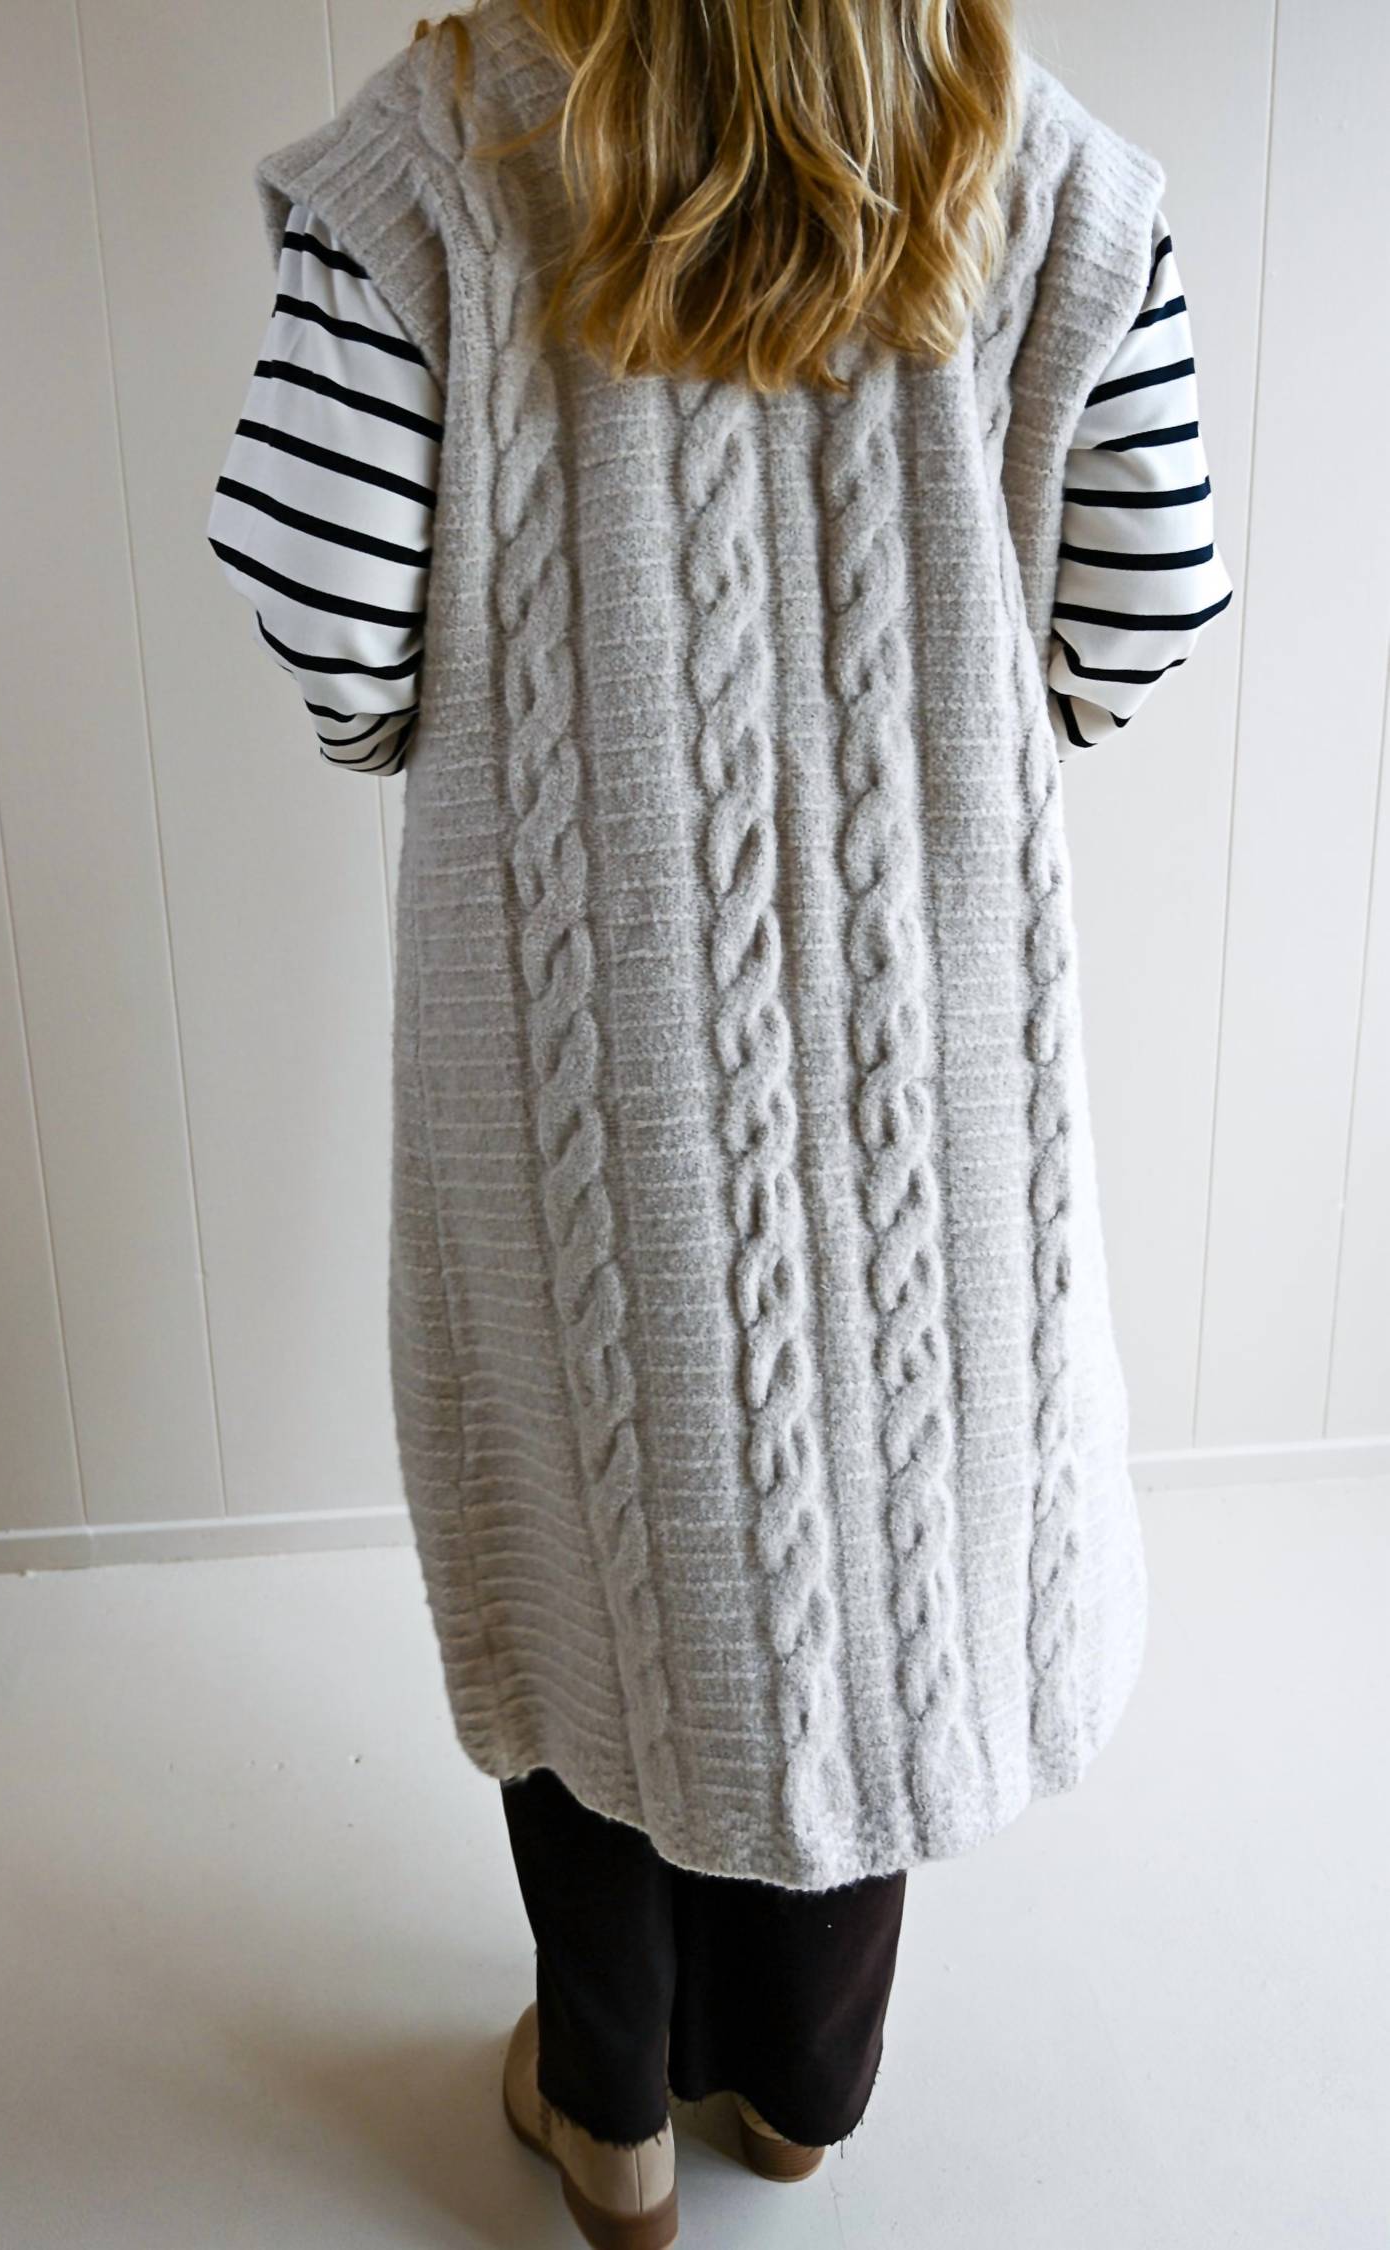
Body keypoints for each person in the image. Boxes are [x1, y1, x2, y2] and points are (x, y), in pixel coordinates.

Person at [208, 2, 1232, 2241]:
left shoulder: (429, 159)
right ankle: (801, 2087)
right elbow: (1140, 610)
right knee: (878, 1543)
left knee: (603, 1557)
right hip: (936, 1057)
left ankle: (611, 2112)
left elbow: (332, 626)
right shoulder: (1031, 152)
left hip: (572, 1054)